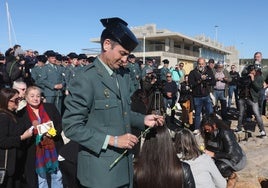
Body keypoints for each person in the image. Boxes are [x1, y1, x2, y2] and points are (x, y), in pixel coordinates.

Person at [62, 17, 164, 188]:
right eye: (122, 53)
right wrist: (112, 140)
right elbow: (71, 126)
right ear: (107, 45)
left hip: (124, 168)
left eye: (128, 55)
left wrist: (143, 119)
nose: (125, 60)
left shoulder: (122, 76)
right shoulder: (86, 78)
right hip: (100, 173)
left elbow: (121, 113)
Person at [17, 86, 64, 188]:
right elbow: (21, 132)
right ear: (26, 97)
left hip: (53, 146)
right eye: (32, 96)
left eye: (38, 96)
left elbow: (60, 123)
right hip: (35, 149)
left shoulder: (50, 107)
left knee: (57, 174)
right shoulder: (22, 113)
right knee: (41, 177)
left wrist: (54, 132)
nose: (35, 98)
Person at [200, 114, 247, 188]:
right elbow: (210, 147)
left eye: (208, 129)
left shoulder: (225, 133)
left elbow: (231, 154)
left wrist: (214, 155)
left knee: (219, 168)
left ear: (214, 125)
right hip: (220, 155)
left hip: (235, 159)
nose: (206, 131)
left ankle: (232, 176)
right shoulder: (208, 133)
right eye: (205, 129)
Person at [0, 88, 33, 188]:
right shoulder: (3, 117)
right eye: (15, 100)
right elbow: (2, 141)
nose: (18, 102)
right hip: (7, 165)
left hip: (15, 164)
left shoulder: (13, 114)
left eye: (19, 99)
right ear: (6, 101)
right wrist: (22, 137)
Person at [235, 65, 266, 137]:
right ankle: (239, 127)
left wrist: (252, 80)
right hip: (243, 97)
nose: (251, 72)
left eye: (252, 70)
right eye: (249, 70)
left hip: (253, 98)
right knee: (241, 114)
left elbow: (258, 88)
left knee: (257, 114)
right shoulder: (246, 75)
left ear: (255, 70)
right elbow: (240, 84)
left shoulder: (260, 77)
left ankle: (262, 131)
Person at [188, 57, 215, 135]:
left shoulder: (208, 71)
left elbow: (213, 82)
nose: (201, 65)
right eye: (199, 64)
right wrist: (200, 80)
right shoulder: (193, 72)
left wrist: (207, 80)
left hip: (206, 95)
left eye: (202, 64)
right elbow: (191, 84)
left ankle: (210, 126)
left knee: (210, 112)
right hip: (197, 96)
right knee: (197, 113)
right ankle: (196, 128)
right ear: (197, 64)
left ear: (205, 64)